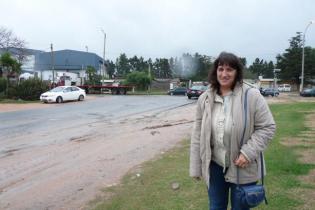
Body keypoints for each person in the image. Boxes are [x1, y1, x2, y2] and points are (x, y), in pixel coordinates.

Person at [189, 52, 276, 210]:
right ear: (215, 71)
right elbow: (197, 135)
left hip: (243, 166)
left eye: (229, 69)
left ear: (237, 72)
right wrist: (196, 167)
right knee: (216, 206)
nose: (224, 73)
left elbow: (267, 127)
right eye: (220, 69)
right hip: (215, 166)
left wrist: (247, 153)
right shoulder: (205, 98)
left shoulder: (252, 95)